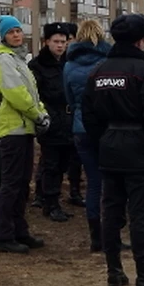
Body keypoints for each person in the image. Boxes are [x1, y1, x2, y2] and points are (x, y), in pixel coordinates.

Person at [82, 14, 144, 286]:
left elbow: (88, 114)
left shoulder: (99, 71)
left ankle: (114, 271)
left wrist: (103, 141)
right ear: (142, 39)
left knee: (111, 211)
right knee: (141, 214)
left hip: (110, 148)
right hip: (140, 150)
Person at [0, 16, 51, 254]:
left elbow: (32, 93)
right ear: (3, 35)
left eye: (18, 31)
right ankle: (3, 235)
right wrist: (37, 114)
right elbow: (16, 94)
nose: (16, 35)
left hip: (24, 127)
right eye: (11, 32)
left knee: (22, 182)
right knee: (12, 183)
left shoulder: (18, 60)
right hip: (12, 129)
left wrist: (41, 112)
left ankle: (19, 230)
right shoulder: (3, 60)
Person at [64, 20, 112, 252]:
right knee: (111, 183)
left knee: (93, 183)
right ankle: (110, 233)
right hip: (105, 127)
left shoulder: (69, 65)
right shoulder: (107, 63)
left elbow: (70, 100)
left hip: (81, 128)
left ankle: (95, 237)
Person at [29, 23, 75, 223]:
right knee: (51, 164)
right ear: (46, 42)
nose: (60, 46)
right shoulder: (37, 66)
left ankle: (53, 201)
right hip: (50, 121)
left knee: (63, 163)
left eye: (63, 42)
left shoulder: (69, 63)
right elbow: (36, 94)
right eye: (56, 41)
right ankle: (50, 202)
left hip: (68, 120)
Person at [61, 22, 86, 208]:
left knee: (77, 157)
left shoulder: (73, 61)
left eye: (69, 39)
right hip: (62, 115)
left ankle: (75, 189)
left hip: (75, 115)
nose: (66, 43)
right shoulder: (63, 63)